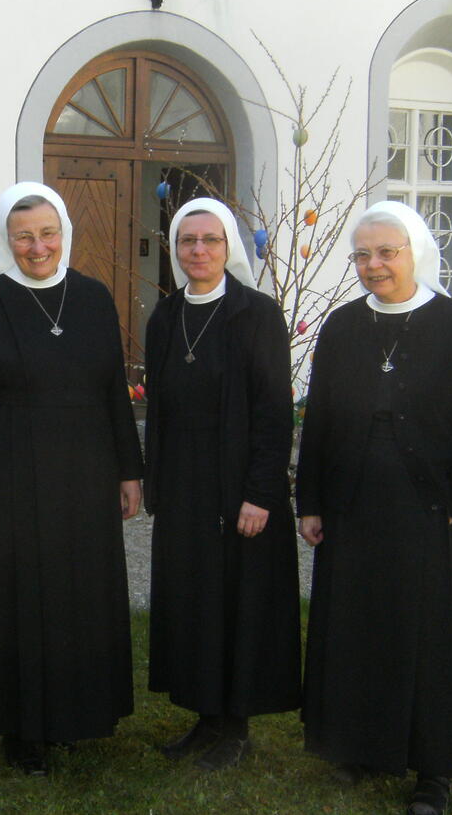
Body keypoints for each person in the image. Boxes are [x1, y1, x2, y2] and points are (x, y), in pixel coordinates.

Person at [297, 201, 452, 815]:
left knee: (428, 634)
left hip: (427, 508)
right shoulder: (341, 327)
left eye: (387, 252)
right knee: (357, 627)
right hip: (353, 506)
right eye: (362, 255)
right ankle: (361, 746)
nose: (374, 265)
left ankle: (434, 769)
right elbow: (320, 421)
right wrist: (310, 501)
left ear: (416, 253)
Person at [0, 182, 143, 776]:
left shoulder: (94, 298)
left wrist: (129, 470)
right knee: (15, 595)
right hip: (7, 471)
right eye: (23, 237)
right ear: (7, 240)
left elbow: (112, 391)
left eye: (48, 234)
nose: (37, 247)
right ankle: (22, 727)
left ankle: (77, 714)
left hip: (84, 470)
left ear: (64, 235)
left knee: (77, 590)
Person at [143, 197, 301, 771]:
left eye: (210, 240)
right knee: (193, 600)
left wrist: (261, 492)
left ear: (228, 246)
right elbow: (158, 408)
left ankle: (236, 724)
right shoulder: (164, 317)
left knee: (237, 602)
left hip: (238, 485)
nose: (199, 251)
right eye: (188, 241)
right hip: (185, 484)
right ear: (175, 249)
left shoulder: (256, 314)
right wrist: (154, 481)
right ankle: (205, 714)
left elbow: (273, 412)